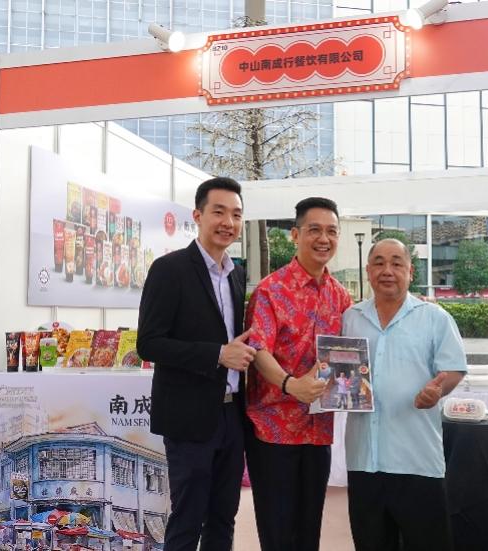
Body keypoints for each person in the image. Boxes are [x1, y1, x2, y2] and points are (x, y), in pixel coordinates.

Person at [137, 177, 255, 551]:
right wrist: (216, 354)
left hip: (231, 415)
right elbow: (148, 343)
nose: (228, 222)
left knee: (223, 518)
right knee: (187, 519)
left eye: (236, 214)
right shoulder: (169, 269)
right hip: (188, 418)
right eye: (219, 212)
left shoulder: (237, 274)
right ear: (198, 215)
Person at [342, 238, 467, 551]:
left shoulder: (435, 318)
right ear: (368, 271)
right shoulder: (351, 318)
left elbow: (454, 369)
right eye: (379, 263)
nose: (387, 270)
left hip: (417, 459)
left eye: (396, 263)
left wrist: (437, 391)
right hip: (364, 460)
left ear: (410, 272)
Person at [245, 197, 352, 551]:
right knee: (277, 534)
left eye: (332, 231)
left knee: (309, 533)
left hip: (318, 431)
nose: (324, 238)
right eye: (314, 230)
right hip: (274, 430)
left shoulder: (341, 296)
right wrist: (291, 384)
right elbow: (258, 350)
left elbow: (352, 353)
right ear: (295, 234)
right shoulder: (270, 290)